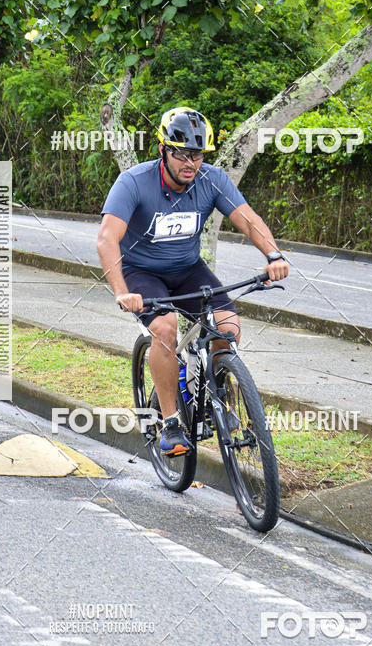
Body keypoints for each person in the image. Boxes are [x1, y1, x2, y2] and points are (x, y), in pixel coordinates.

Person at [97, 106, 289, 456]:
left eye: (198, 154)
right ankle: (170, 423)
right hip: (142, 272)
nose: (191, 162)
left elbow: (247, 220)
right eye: (181, 153)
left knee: (227, 327)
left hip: (187, 269)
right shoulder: (134, 182)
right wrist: (122, 292)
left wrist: (273, 255)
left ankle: (218, 398)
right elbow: (107, 239)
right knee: (166, 328)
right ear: (162, 150)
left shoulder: (211, 179)